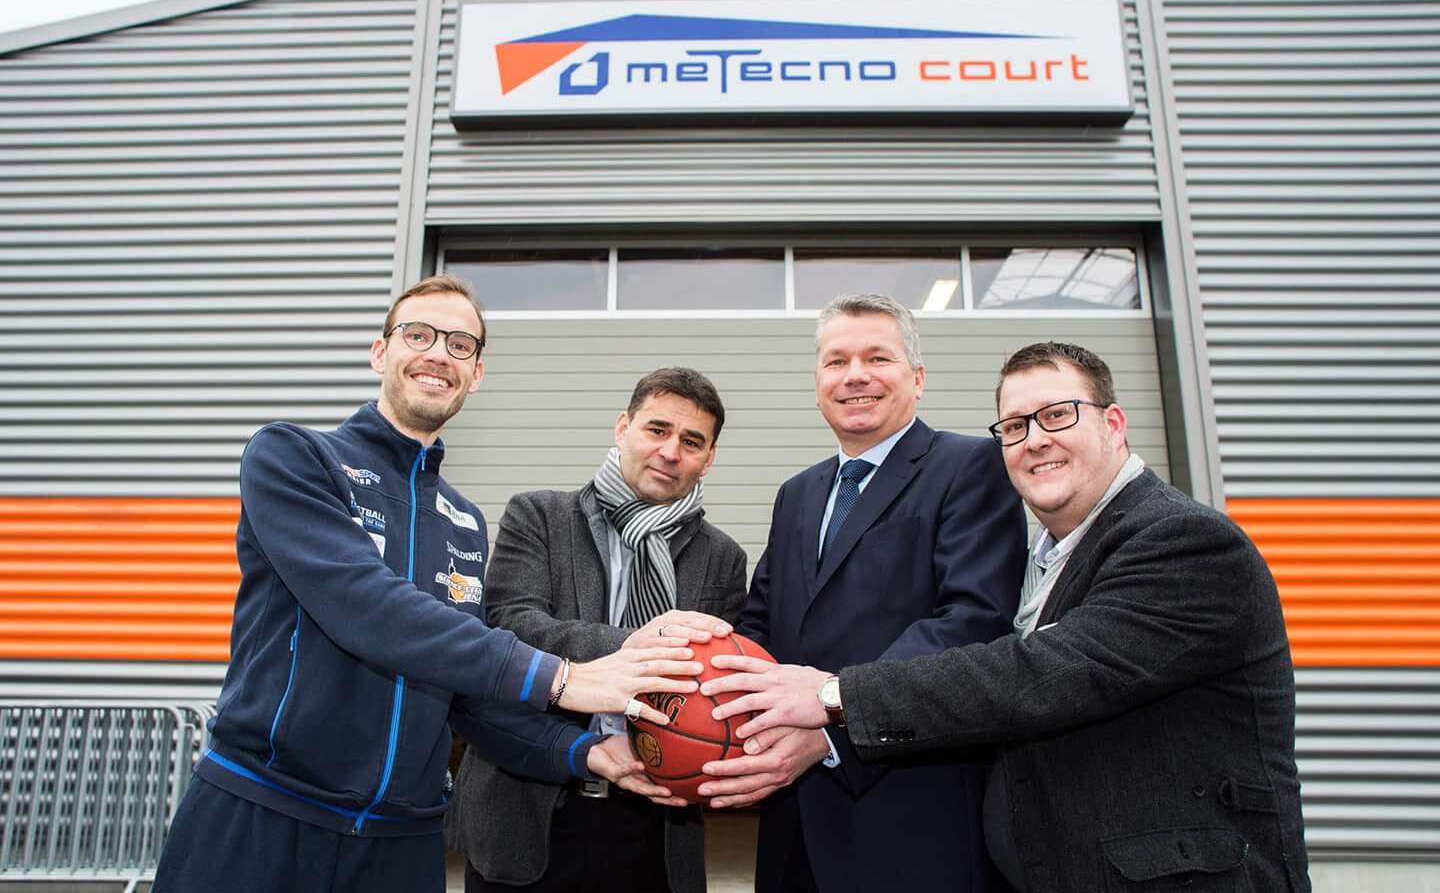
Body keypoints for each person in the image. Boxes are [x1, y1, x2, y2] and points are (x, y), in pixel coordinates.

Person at [152, 275, 702, 893]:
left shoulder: (465, 521)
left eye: (461, 345)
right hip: (264, 814)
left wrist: (582, 754)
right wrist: (563, 677)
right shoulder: (294, 457)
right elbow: (366, 606)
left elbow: (466, 691)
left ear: (477, 375)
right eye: (419, 334)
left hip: (402, 843)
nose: (440, 353)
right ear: (380, 351)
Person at [705, 341, 1312, 893]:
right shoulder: (1048, 560)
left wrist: (835, 696)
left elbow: (1045, 673)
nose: (1036, 440)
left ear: (1115, 423)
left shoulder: (1182, 540)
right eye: (1016, 426)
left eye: (1058, 415)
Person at [700, 293, 1028, 892]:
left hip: (911, 818)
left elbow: (971, 620)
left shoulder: (973, 466)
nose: (855, 376)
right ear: (817, 379)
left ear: (918, 378)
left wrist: (829, 727)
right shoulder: (797, 493)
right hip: (791, 820)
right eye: (836, 361)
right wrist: (722, 696)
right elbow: (763, 621)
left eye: (878, 358)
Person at [447, 367, 748, 893]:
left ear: (709, 459)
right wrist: (634, 648)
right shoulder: (538, 516)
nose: (670, 451)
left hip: (654, 826)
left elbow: (722, 684)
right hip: (532, 811)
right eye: (657, 430)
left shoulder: (722, 558)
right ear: (622, 428)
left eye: (691, 441)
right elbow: (512, 627)